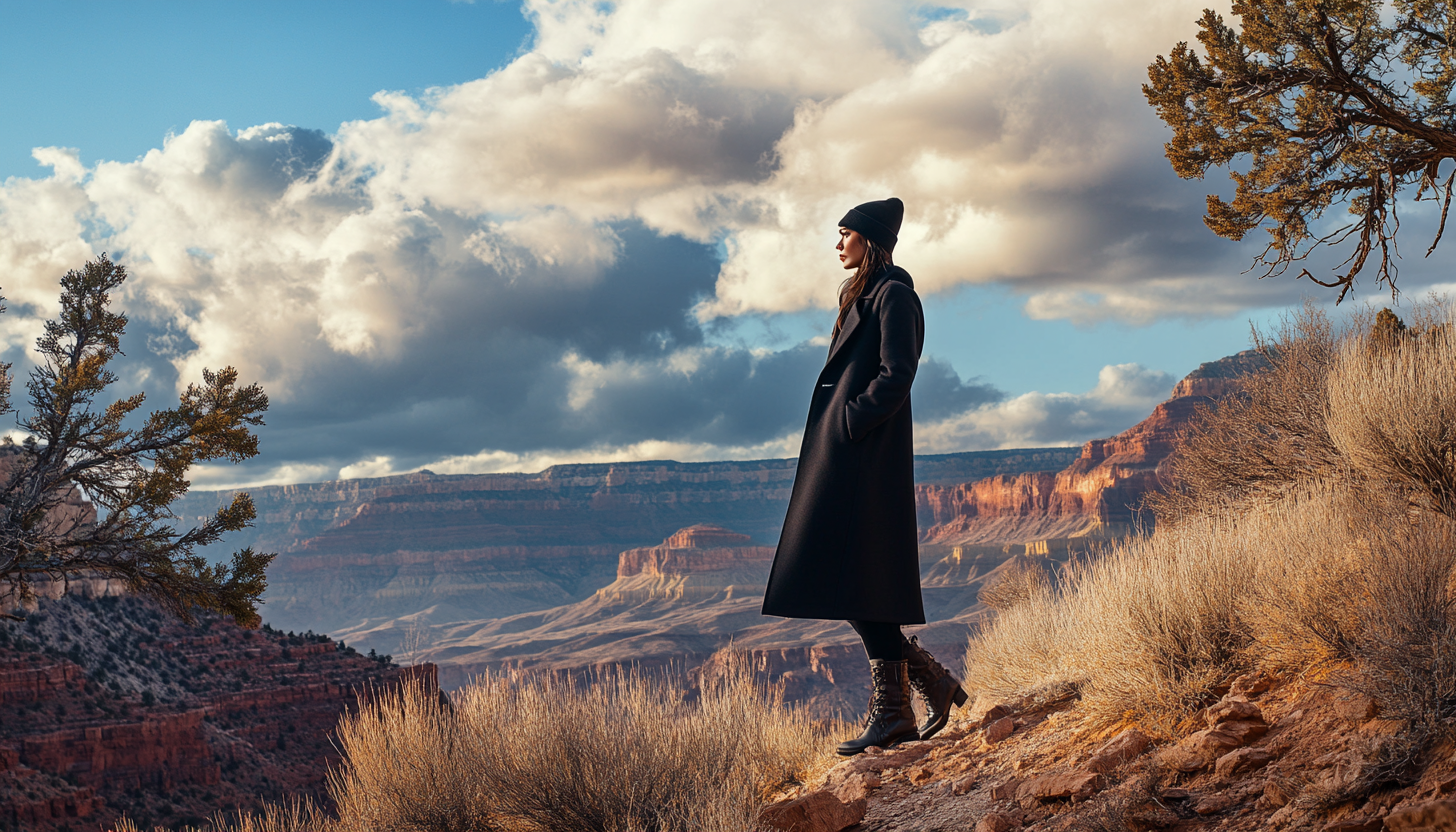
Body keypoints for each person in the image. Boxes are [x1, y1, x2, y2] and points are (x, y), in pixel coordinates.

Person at [761, 197, 967, 756]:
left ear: (868, 240)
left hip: (863, 459)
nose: (838, 244)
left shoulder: (895, 295)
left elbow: (898, 372)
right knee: (853, 583)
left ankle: (898, 709)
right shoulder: (868, 294)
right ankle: (926, 684)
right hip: (847, 456)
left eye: (845, 234)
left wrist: (853, 421)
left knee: (857, 582)